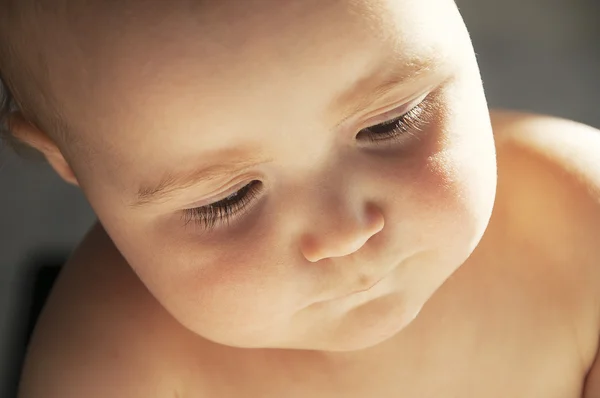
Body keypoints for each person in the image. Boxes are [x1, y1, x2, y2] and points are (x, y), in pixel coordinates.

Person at [2, 0, 600, 396]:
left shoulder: (584, 226)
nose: (344, 231)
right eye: (227, 198)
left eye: (391, 124)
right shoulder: (108, 369)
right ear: (69, 163)